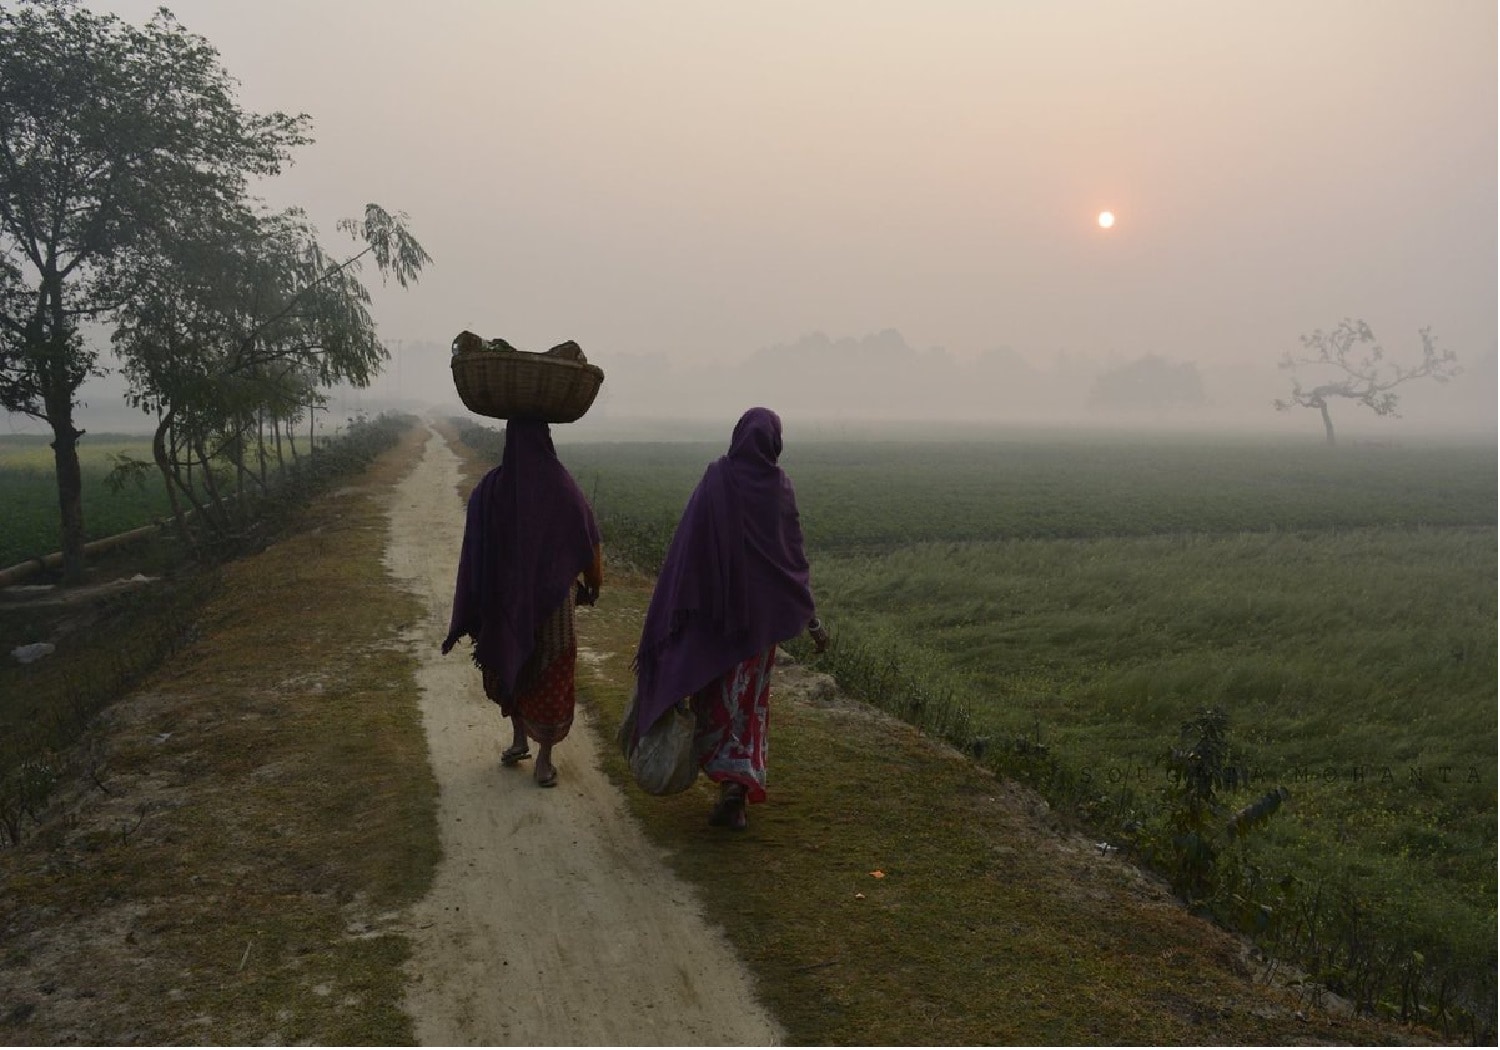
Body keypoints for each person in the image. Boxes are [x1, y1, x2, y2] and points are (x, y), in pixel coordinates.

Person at [632, 407, 829, 830]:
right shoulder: (780, 490)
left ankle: (729, 784)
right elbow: (791, 562)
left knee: (716, 702)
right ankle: (735, 787)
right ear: (775, 442)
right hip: (758, 633)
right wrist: (811, 619)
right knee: (748, 706)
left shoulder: (715, 481)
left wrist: (677, 611)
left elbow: (687, 553)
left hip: (715, 627)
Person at [443, 419, 603, 788]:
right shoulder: (563, 487)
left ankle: (522, 740)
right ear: (546, 440)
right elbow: (589, 540)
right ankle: (542, 757)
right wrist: (594, 584)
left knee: (513, 661)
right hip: (552, 609)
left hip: (505, 603)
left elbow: (475, 551)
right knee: (550, 669)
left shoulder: (491, 488)